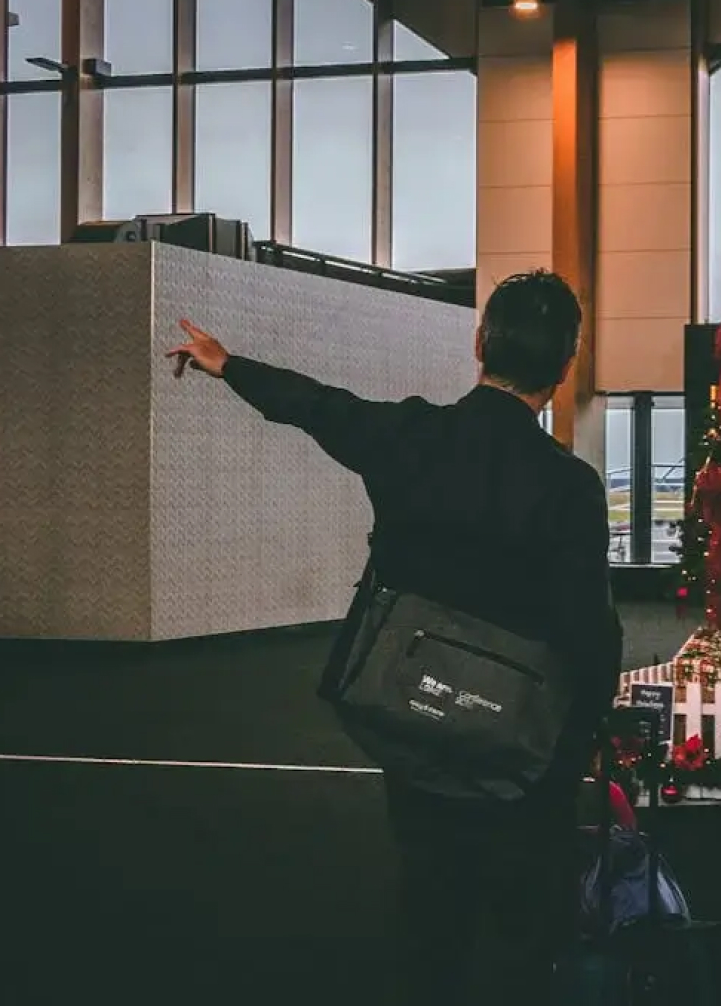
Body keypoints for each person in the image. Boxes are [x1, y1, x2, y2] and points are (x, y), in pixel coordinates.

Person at [165, 270, 623, 1004]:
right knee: (529, 929)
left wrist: (227, 364)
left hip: (416, 717)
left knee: (431, 911)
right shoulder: (568, 488)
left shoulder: (410, 437)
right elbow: (587, 632)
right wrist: (593, 721)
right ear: (567, 367)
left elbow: (316, 406)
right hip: (525, 746)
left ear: (481, 343)